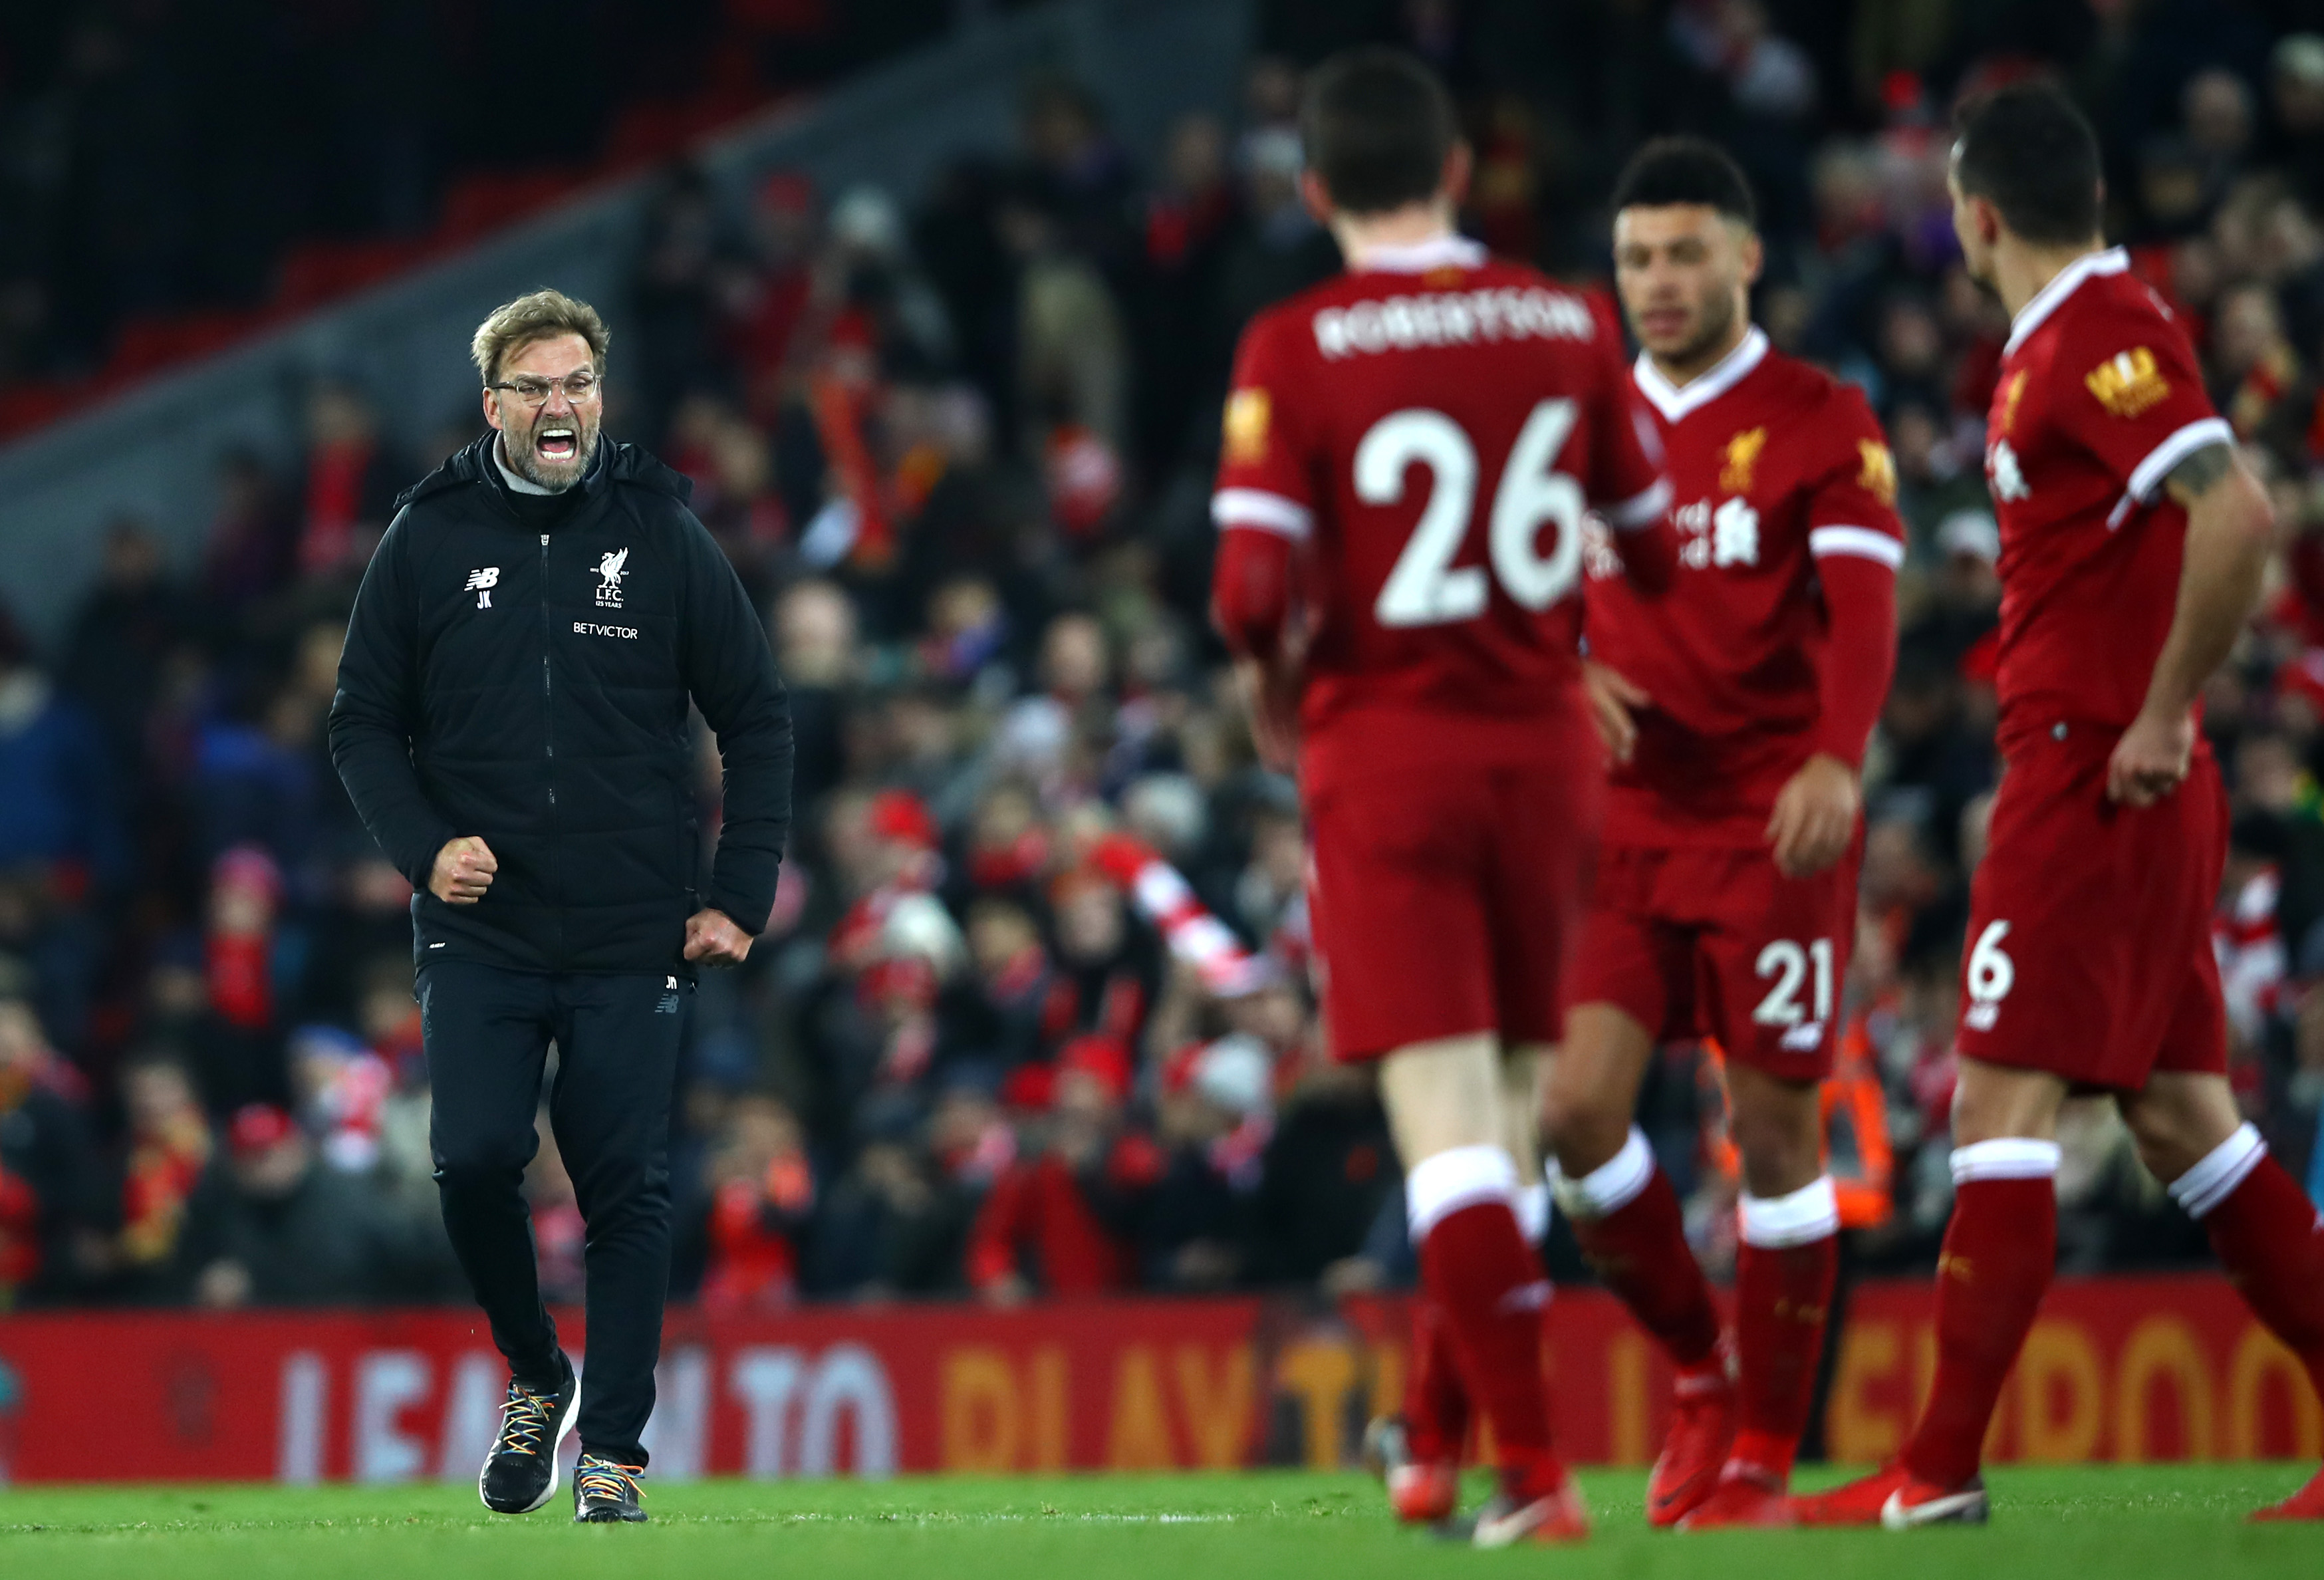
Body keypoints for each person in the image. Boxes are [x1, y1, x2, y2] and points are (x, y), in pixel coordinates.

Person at [1794, 82, 2324, 1529]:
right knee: (2181, 1121)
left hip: (2094, 773)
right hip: (2115, 777)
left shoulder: (2100, 334)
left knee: (1995, 1104)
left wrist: (2156, 710)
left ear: (1975, 213)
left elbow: (2238, 516)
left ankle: (1937, 1470)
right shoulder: (2056, 343)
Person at [1210, 49, 1675, 1547]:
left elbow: (1243, 592)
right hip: (1544, 756)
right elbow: (1649, 545)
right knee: (1510, 1120)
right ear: (1460, 172)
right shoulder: (1566, 318)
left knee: (1449, 1130)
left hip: (1388, 752)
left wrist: (1275, 680)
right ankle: (1436, 1442)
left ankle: (1529, 1478)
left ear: (1310, 190)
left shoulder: (1293, 343)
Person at [328, 289, 793, 1524]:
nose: (560, 405)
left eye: (579, 383)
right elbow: (361, 724)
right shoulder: (426, 538)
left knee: (626, 1188)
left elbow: (755, 715)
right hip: (480, 926)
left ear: (601, 396)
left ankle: (615, 1459)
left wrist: (738, 891)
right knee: (472, 1159)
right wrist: (427, 851)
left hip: (630, 925)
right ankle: (540, 1373)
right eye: (535, 386)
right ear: (494, 407)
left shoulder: (661, 530)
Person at [1543, 138, 1902, 1528]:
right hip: (1622, 830)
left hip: (1772, 823)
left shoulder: (1818, 415)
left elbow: (1864, 610)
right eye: (1636, 258)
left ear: (1746, 257)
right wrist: (1566, 672)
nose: (1658, 282)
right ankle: (1698, 1364)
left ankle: (1758, 1456)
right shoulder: (1578, 429)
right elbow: (1515, 601)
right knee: (1571, 1113)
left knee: (1772, 1129)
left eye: (1685, 253)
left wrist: (1833, 758)